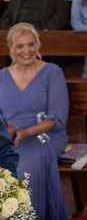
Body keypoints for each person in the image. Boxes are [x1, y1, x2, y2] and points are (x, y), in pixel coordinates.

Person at [0, 23, 69, 219]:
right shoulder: (1, 77)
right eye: (19, 46)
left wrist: (27, 133)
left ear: (38, 46)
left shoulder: (52, 72)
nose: (26, 51)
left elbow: (57, 118)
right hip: (10, 139)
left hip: (44, 135)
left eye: (31, 44)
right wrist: (9, 132)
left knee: (21, 172)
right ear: (11, 48)